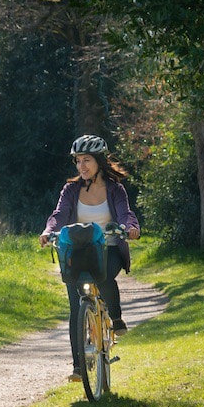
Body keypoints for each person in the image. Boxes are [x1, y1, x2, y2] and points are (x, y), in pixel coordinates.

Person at [38, 134, 141, 382]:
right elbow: (59, 214)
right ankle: (78, 366)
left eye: (86, 160)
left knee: (103, 277)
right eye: (78, 161)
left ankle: (115, 318)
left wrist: (131, 228)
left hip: (110, 248)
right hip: (78, 251)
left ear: (98, 161)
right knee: (76, 305)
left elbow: (125, 214)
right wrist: (48, 230)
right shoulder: (71, 189)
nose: (81, 166)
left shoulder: (115, 189)